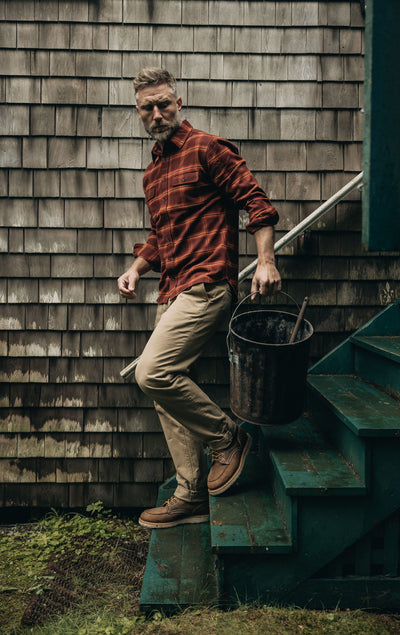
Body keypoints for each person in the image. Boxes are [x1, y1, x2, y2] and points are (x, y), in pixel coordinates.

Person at [117, 67, 281, 529]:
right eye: (147, 107)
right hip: (170, 289)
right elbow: (159, 237)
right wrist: (134, 270)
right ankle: (190, 495)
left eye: (163, 103)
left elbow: (256, 202)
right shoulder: (154, 171)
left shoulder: (207, 148)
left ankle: (227, 440)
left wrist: (265, 261)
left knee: (153, 371)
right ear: (138, 113)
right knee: (163, 392)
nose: (156, 113)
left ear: (178, 102)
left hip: (207, 284)